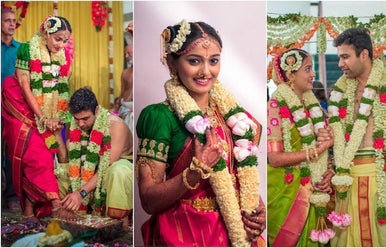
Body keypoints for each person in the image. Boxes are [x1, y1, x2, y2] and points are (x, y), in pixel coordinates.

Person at [136, 20, 266, 247]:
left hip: (237, 234)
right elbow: (148, 200)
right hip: (185, 233)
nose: (206, 72)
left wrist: (257, 208)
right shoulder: (159, 117)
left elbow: (240, 174)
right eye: (194, 61)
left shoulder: (233, 116)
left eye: (213, 61)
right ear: (172, 63)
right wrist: (195, 172)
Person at [1, 15, 78, 223]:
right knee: (33, 152)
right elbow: (26, 87)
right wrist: (43, 117)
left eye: (65, 40)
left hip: (46, 108)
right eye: (58, 39)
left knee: (42, 154)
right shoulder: (27, 50)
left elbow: (60, 87)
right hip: (20, 104)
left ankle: (28, 213)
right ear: (45, 33)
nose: (61, 45)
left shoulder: (62, 55)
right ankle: (55, 206)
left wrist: (57, 116)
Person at [327, 27, 386, 247]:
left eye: (345, 57)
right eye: (339, 57)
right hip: (347, 180)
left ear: (364, 54)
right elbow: (335, 139)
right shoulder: (338, 93)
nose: (340, 64)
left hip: (385, 179)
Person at [267, 48, 334, 246]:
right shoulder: (275, 106)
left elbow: (326, 145)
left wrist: (328, 171)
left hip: (314, 187)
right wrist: (317, 151)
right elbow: (275, 159)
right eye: (307, 69)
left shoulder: (312, 106)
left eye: (312, 69)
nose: (313, 74)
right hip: (286, 192)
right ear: (290, 74)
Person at [59, 88, 133, 229]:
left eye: (85, 118)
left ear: (97, 111)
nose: (80, 124)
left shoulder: (116, 125)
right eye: (76, 119)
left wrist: (81, 193)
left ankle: (118, 220)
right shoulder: (78, 124)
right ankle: (67, 212)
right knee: (61, 171)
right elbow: (71, 149)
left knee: (116, 171)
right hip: (94, 165)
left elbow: (107, 165)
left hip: (121, 165)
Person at [1, 7, 21, 212]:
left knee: (13, 154)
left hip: (14, 111)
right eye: (7, 20)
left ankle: (12, 196)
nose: (12, 24)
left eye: (13, 20)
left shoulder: (21, 49)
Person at [117, 44, 133, 133]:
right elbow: (122, 91)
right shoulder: (125, 73)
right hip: (125, 108)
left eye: (129, 53)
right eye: (125, 54)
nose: (126, 56)